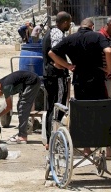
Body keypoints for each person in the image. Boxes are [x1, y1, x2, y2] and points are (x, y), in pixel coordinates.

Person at [48, 18, 111, 155]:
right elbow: (108, 51)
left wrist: (68, 66)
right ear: (92, 26)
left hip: (79, 81)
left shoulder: (70, 38)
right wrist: (108, 68)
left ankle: (86, 148)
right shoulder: (97, 36)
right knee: (102, 112)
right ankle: (107, 148)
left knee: (83, 113)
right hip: (97, 79)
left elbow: (51, 53)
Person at [42, 11, 72, 150]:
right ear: (64, 22)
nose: (69, 26)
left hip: (50, 75)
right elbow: (54, 52)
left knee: (51, 107)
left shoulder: (50, 32)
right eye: (69, 23)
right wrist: (67, 66)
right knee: (58, 107)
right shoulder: (57, 33)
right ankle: (55, 138)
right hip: (56, 75)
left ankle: (50, 139)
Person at [0, 71, 41, 144]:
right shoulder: (0, 84)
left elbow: (9, 107)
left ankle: (22, 136)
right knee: (20, 106)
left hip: (32, 82)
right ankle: (21, 133)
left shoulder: (6, 88)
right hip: (29, 81)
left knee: (23, 107)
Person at [98, 14, 111, 158]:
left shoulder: (109, 38)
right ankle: (107, 149)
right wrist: (109, 71)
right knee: (109, 112)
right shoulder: (101, 37)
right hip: (109, 79)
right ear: (110, 24)